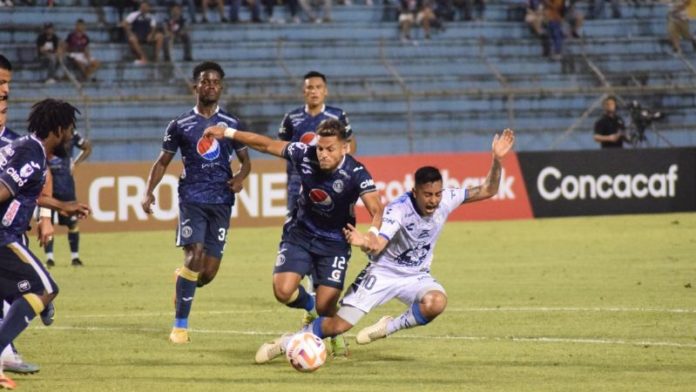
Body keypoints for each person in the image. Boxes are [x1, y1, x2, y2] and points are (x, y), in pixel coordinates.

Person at [253, 129, 515, 363]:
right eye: (428, 195)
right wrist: (364, 240)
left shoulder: (448, 198)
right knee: (336, 325)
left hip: (416, 276)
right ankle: (288, 342)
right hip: (382, 273)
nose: (434, 200)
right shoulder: (398, 211)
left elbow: (488, 190)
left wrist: (497, 159)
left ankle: (387, 327)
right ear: (415, 192)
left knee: (436, 302)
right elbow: (378, 244)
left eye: (437, 194)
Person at [202, 118, 384, 362]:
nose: (323, 154)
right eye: (320, 148)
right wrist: (229, 132)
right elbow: (266, 145)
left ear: (345, 148)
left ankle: (330, 332)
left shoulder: (356, 172)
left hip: (334, 244)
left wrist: (370, 234)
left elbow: (376, 209)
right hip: (301, 233)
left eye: (330, 149)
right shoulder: (304, 154)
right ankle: (309, 307)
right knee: (282, 291)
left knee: (327, 307)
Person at [141, 61, 251, 344]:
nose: (210, 86)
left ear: (221, 87)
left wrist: (239, 178)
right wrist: (149, 191)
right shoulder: (180, 124)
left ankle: (183, 279)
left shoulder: (231, 124)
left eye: (215, 82)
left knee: (207, 273)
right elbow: (163, 161)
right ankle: (180, 327)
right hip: (192, 197)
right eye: (205, 81)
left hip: (222, 201)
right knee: (194, 254)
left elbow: (246, 162)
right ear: (196, 86)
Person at [0, 99, 91, 390]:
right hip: (3, 238)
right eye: (70, 129)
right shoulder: (31, 153)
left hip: (9, 236)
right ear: (59, 128)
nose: (70, 136)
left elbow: (29, 192)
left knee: (23, 292)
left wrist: (64, 206)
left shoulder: (28, 147)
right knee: (45, 289)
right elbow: (4, 189)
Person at [43, 128, 92, 268]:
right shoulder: (44, 131)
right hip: (48, 186)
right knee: (47, 222)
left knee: (72, 222)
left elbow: (87, 147)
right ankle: (49, 258)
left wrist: (75, 163)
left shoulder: (71, 133)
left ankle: (75, 257)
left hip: (66, 185)